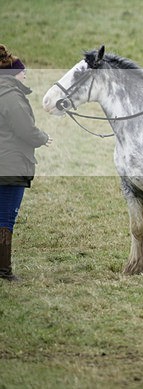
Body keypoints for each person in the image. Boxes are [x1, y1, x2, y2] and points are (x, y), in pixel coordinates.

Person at [0, 46, 52, 281]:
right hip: (10, 164)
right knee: (5, 218)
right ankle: (4, 270)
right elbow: (25, 129)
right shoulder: (10, 95)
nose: (26, 75)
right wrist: (43, 137)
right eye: (22, 72)